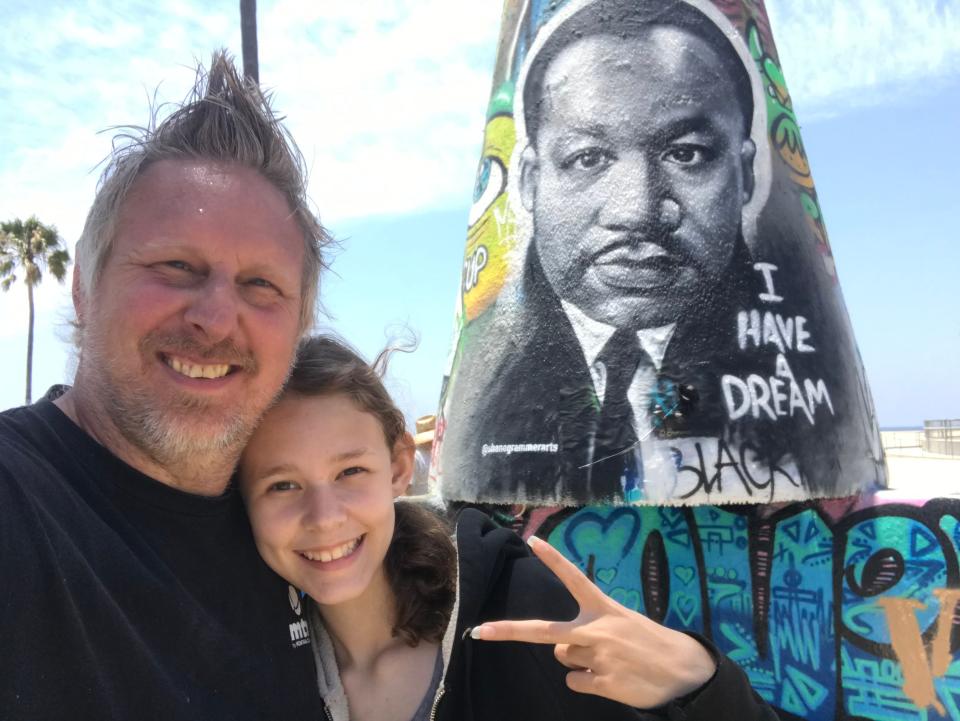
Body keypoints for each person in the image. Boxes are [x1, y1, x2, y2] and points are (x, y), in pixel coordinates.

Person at [0, 52, 328, 719]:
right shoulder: (18, 503)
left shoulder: (309, 536)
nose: (214, 317)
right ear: (85, 289)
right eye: (177, 266)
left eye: (260, 285)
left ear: (298, 327)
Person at [239, 335, 778, 721]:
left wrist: (698, 680)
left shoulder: (522, 619)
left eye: (350, 471)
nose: (325, 516)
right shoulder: (244, 659)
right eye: (282, 485)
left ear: (401, 467)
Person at [441, 0, 840, 505]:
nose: (637, 211)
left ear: (747, 174)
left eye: (686, 154)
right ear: (529, 181)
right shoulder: (489, 392)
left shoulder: (805, 399)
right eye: (589, 158)